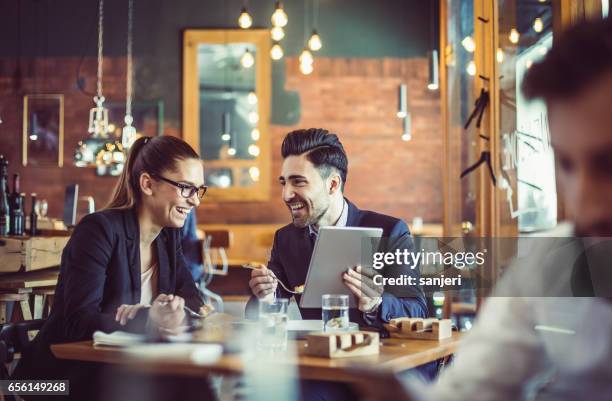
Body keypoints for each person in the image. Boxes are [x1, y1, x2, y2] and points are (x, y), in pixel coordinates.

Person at [401, 17, 612, 401]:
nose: (585, 202)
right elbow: (473, 390)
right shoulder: (552, 261)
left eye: (609, 164)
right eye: (566, 164)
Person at [12, 136, 212, 401]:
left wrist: (177, 314)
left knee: (195, 384)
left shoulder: (166, 237)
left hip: (122, 373)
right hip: (57, 381)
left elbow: (193, 302)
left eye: (199, 190)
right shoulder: (98, 231)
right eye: (186, 188)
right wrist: (149, 318)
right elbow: (78, 323)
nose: (195, 201)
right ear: (147, 184)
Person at [246, 128, 429, 401]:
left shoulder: (390, 231)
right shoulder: (286, 239)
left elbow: (418, 311)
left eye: (298, 182)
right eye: (283, 182)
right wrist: (267, 297)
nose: (286, 194)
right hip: (321, 367)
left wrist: (376, 303)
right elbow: (257, 316)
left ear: (332, 184)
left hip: (382, 366)